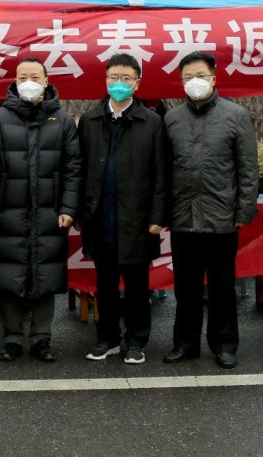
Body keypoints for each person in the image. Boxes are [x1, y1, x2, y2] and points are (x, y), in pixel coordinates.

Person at [162, 51, 258, 370]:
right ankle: (185, 343)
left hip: (222, 219)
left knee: (222, 288)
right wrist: (164, 213)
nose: (194, 82)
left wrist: (244, 211)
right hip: (183, 218)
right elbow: (164, 172)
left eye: (200, 76)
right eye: (188, 77)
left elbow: (247, 169)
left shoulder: (236, 115)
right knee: (185, 288)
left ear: (214, 78)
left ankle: (225, 344)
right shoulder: (172, 119)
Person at [0, 58, 81, 363]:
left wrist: (67, 206)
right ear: (14, 80)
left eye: (34, 76)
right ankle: (12, 338)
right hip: (6, 211)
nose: (29, 81)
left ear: (47, 80)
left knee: (45, 274)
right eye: (23, 76)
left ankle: (42, 339)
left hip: (50, 211)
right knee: (9, 275)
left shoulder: (63, 121)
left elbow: (73, 168)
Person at [75, 54, 169, 366]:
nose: (119, 83)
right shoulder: (90, 120)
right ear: (105, 79)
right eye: (114, 76)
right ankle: (108, 337)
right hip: (100, 217)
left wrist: (158, 216)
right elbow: (80, 168)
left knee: (137, 285)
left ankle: (137, 340)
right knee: (105, 282)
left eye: (126, 78)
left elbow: (161, 173)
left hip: (138, 220)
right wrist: (79, 211)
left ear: (137, 83)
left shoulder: (152, 121)